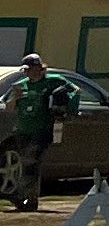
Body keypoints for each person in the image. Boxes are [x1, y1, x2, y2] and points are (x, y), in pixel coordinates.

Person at [7, 54, 77, 212]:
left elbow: (74, 92)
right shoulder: (21, 85)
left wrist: (65, 106)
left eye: (31, 69)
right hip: (23, 129)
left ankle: (27, 198)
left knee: (32, 160)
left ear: (40, 68)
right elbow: (9, 108)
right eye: (26, 70)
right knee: (26, 163)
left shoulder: (54, 81)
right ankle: (26, 198)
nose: (28, 73)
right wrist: (15, 98)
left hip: (42, 129)